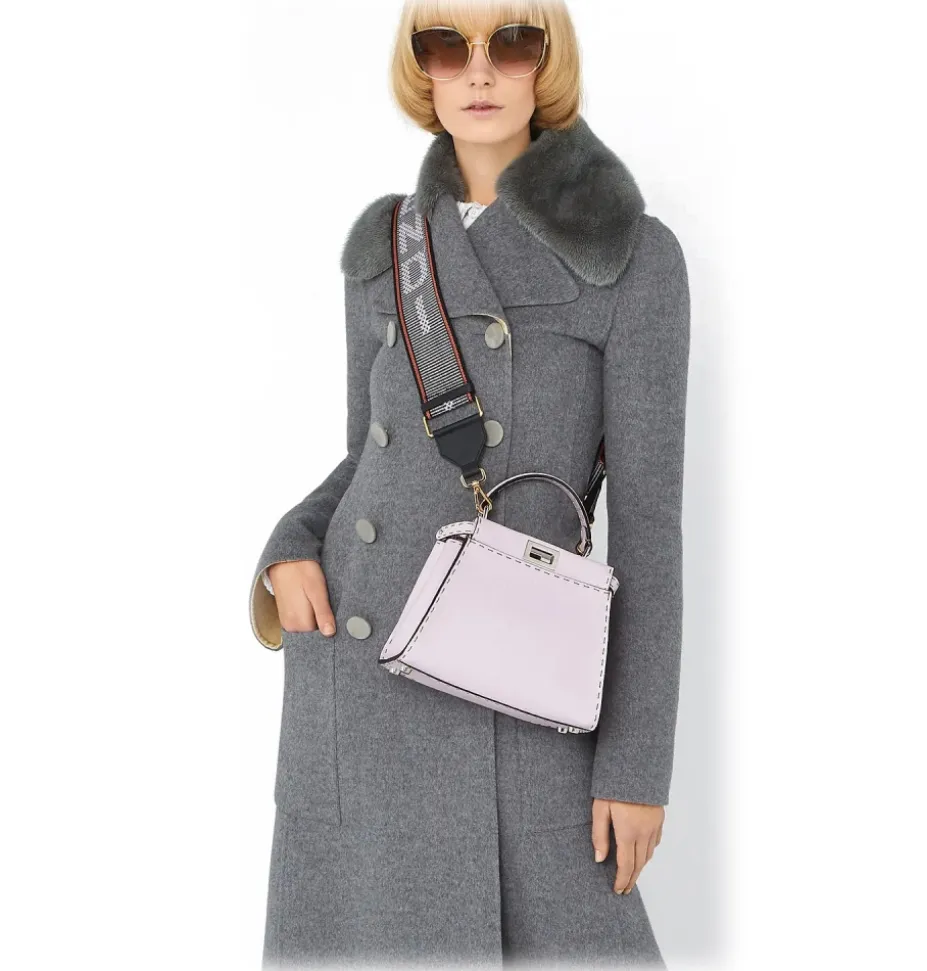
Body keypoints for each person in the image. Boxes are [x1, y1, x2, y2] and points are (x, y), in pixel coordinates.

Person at [249, 1, 691, 967]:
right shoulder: (385, 248)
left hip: (516, 695)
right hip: (359, 682)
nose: (479, 71)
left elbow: (651, 528)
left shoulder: (630, 258)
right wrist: (289, 543)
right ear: (422, 69)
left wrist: (636, 766)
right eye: (446, 45)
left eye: (512, 42)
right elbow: (370, 458)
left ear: (547, 61)